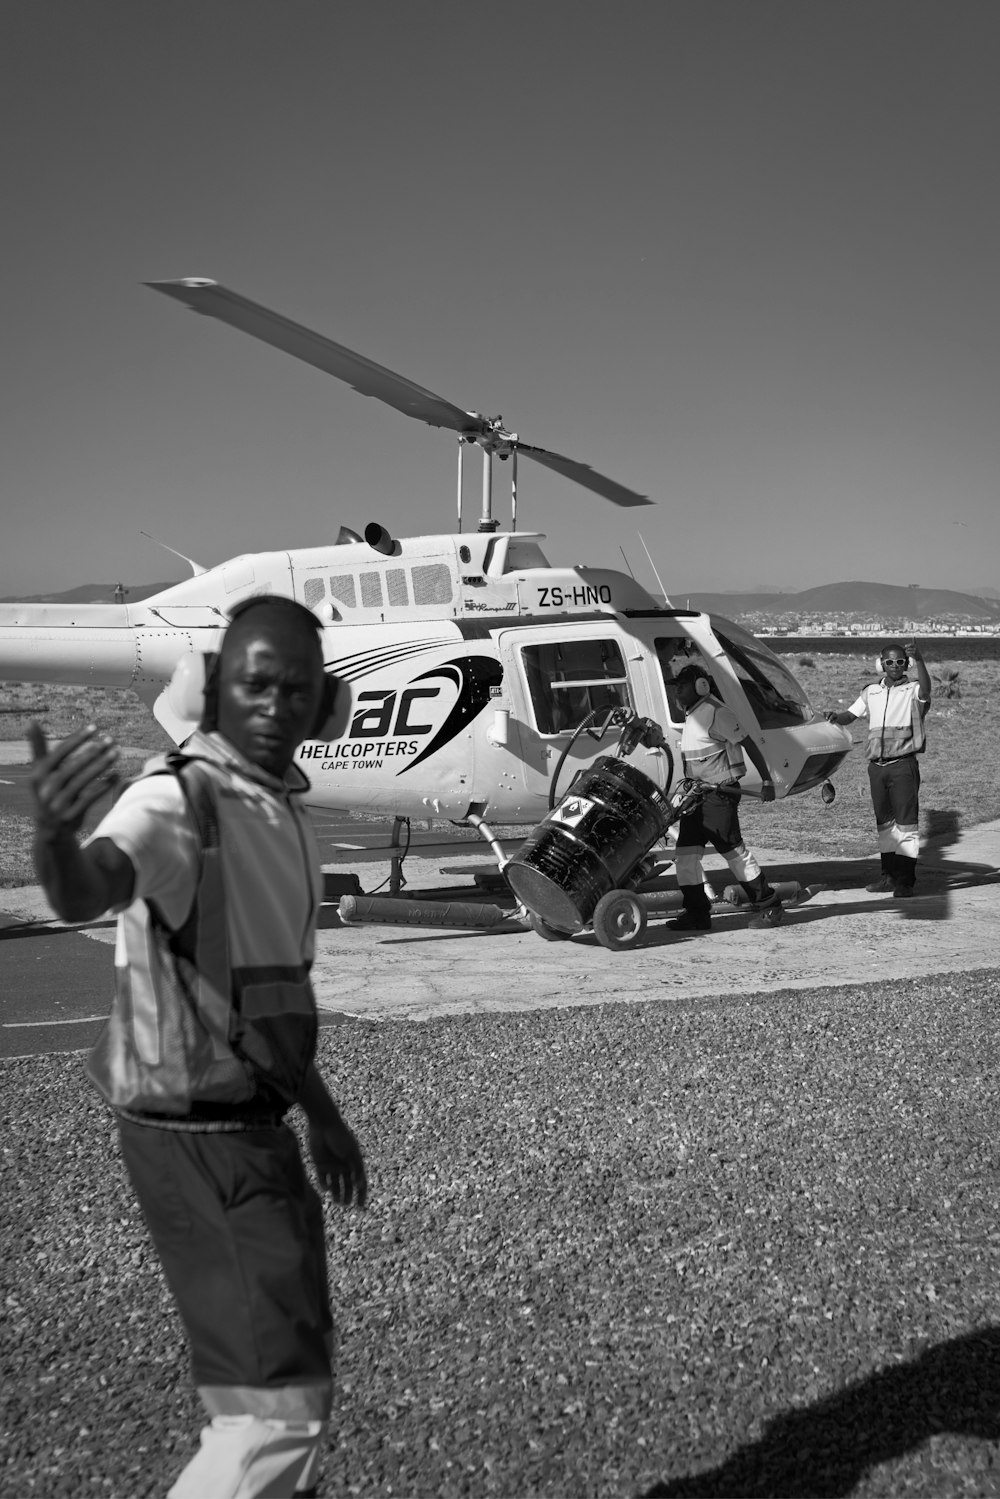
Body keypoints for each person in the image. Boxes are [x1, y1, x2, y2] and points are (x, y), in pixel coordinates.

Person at [29, 595, 367, 1499]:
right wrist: (55, 839)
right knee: (274, 1410)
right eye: (255, 683)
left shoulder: (283, 813)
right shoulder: (178, 798)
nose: (274, 705)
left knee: (278, 1371)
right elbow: (90, 885)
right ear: (216, 689)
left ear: (322, 702)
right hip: (197, 1139)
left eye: (296, 690)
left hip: (256, 1128)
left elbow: (264, 994)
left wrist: (323, 1117)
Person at [670, 663, 780, 931]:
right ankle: (697, 913)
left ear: (700, 686)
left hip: (719, 796)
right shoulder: (693, 714)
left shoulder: (717, 713)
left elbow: (748, 742)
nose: (678, 692)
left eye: (682, 687)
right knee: (685, 857)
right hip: (697, 797)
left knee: (734, 853)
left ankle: (769, 906)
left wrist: (767, 780)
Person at [825, 640, 931, 897]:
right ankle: (889, 877)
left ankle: (905, 881)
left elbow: (927, 691)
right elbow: (850, 715)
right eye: (889, 661)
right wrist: (834, 718)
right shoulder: (870, 691)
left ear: (907, 664)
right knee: (885, 825)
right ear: (880, 664)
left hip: (903, 765)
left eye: (900, 661)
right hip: (877, 768)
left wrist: (921, 661)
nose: (895, 666)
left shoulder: (914, 689)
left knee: (906, 825)